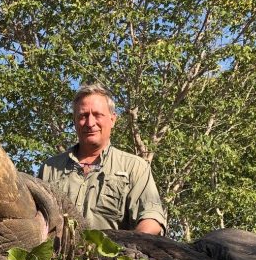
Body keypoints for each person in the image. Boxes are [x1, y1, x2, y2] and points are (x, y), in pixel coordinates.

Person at [39, 84, 166, 235]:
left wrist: (128, 253)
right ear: (74, 121)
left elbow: (151, 220)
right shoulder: (49, 168)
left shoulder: (135, 167)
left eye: (97, 115)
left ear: (113, 119)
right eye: (83, 116)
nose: (90, 123)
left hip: (113, 257)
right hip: (56, 257)